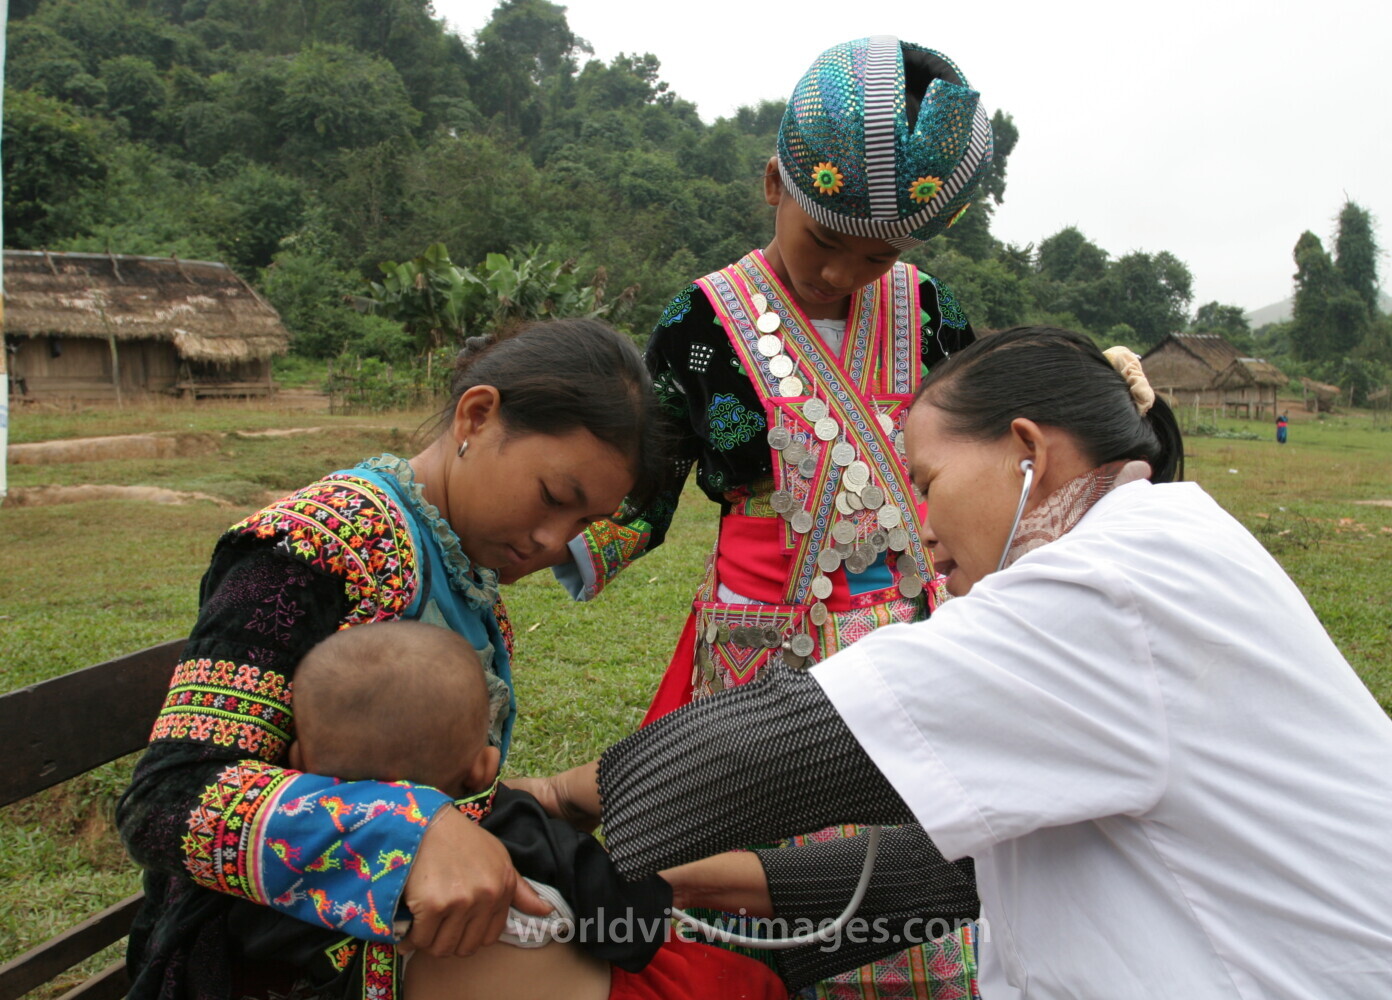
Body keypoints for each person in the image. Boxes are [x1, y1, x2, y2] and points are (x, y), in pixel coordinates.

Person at [538, 327, 1392, 999]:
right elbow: (947, 876)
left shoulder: (1109, 586)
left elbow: (772, 749)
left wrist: (545, 803)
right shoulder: (1165, 545)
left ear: (1026, 452)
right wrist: (689, 887)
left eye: (927, 482)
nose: (921, 528)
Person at [515, 36, 996, 998]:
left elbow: (978, 453)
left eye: (877, 255)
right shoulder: (698, 323)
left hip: (913, 632)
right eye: (825, 243)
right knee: (752, 880)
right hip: (762, 643)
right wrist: (547, 543)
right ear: (775, 184)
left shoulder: (931, 311)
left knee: (909, 868)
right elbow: (650, 479)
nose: (843, 275)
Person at [117, 319, 665, 1000]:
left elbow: (415, 780)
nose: (554, 542)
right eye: (554, 498)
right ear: (477, 416)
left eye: (584, 524)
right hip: (259, 960)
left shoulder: (464, 571)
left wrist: (542, 798)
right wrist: (410, 833)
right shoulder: (314, 546)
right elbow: (167, 802)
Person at [226, 620, 787, 1000]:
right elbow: (628, 928)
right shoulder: (518, 827)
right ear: (483, 766)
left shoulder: (280, 861)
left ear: (295, 761)